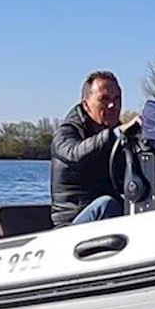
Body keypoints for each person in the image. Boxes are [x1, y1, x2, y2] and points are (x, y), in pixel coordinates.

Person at [51, 70, 141, 226]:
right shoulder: (66, 132)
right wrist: (115, 135)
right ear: (86, 105)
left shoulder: (122, 137)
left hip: (109, 221)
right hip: (71, 225)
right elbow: (75, 154)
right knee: (106, 205)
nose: (113, 105)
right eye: (104, 99)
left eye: (117, 99)